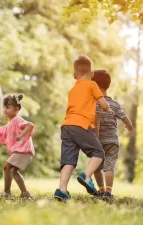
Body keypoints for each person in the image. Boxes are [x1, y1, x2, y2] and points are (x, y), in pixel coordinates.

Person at [53, 54, 111, 201]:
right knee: (98, 153)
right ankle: (87, 176)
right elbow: (104, 105)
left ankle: (62, 190)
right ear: (92, 74)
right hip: (82, 124)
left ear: (74, 75)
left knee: (68, 161)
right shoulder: (92, 84)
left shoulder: (73, 89)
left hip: (66, 126)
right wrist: (108, 109)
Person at [92, 70, 133, 200]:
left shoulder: (95, 104)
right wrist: (129, 125)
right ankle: (108, 193)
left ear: (96, 86)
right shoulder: (114, 104)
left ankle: (101, 191)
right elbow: (124, 117)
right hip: (113, 142)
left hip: (99, 141)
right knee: (109, 166)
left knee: (96, 168)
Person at [0, 94, 35, 198]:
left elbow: (30, 125)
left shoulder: (17, 119)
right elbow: (1, 132)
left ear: (16, 109)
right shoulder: (10, 123)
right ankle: (25, 193)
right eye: (4, 107)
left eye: (8, 107)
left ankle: (7, 192)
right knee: (13, 171)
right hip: (23, 152)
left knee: (6, 167)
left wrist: (22, 134)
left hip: (23, 151)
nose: (5, 110)